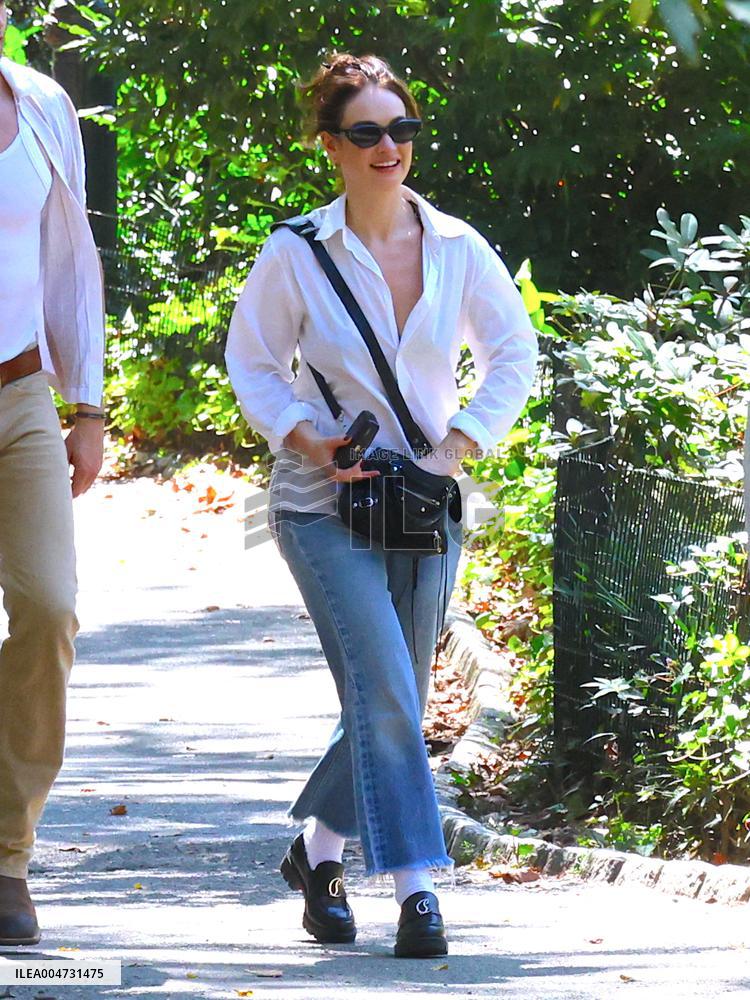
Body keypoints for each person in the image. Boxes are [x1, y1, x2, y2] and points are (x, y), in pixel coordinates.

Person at [225, 52, 537, 958]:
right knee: (392, 688)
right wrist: (308, 440)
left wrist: (457, 446)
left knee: (393, 689)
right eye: (366, 132)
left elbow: (514, 354)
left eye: (401, 129)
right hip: (322, 502)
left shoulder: (457, 247)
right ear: (332, 145)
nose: (388, 147)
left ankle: (319, 854)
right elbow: (252, 362)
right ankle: (416, 889)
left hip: (430, 498)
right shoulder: (296, 252)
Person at [0, 3, 105, 946]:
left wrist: (87, 406)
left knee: (48, 605)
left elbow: (71, 263)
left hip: (20, 392)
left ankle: (6, 855)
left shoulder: (39, 103)